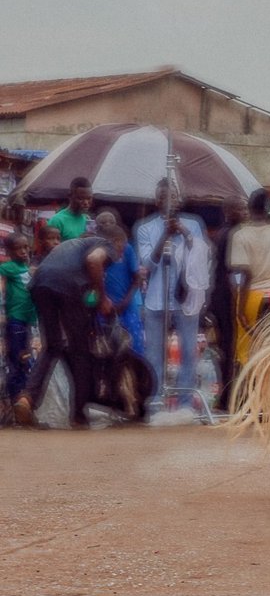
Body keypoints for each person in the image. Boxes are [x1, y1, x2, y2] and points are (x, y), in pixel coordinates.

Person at [12, 223, 123, 427]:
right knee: (80, 351)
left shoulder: (73, 244)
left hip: (41, 284)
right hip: (67, 287)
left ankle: (26, 398)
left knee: (52, 346)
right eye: (121, 250)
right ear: (117, 242)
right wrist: (103, 297)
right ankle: (79, 415)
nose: (118, 256)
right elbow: (94, 261)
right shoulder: (104, 244)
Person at [135, 180, 212, 403]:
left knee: (188, 352)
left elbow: (200, 257)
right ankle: (156, 401)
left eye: (174, 196)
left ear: (179, 199)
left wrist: (185, 233)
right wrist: (165, 235)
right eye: (165, 197)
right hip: (156, 299)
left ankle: (185, 403)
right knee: (155, 355)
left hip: (186, 299)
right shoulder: (145, 228)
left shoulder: (193, 224)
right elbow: (148, 265)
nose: (171, 201)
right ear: (157, 200)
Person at [227, 188, 270, 368]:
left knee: (247, 354)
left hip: (250, 299)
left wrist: (239, 310)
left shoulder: (240, 235)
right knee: (269, 352)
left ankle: (249, 393)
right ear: (267, 208)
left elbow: (244, 274)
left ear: (249, 207)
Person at [208, 193, 247, 410]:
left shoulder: (227, 233)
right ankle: (228, 397)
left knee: (229, 347)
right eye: (240, 209)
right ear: (228, 212)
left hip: (224, 296)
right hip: (227, 297)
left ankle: (229, 395)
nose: (244, 213)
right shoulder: (230, 235)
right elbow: (232, 271)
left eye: (245, 209)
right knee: (230, 346)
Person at [94, 209, 146, 358]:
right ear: (96, 227)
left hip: (127, 308)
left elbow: (137, 278)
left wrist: (125, 302)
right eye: (103, 223)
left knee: (133, 349)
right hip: (103, 310)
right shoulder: (95, 250)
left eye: (111, 222)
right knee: (107, 350)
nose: (107, 225)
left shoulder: (126, 248)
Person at [1, 232, 36, 404]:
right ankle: (15, 395)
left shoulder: (29, 268)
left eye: (25, 247)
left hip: (31, 320)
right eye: (18, 249)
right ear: (8, 251)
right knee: (16, 357)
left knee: (28, 355)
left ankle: (24, 394)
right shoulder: (8, 268)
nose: (23, 251)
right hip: (16, 319)